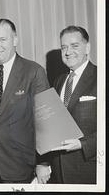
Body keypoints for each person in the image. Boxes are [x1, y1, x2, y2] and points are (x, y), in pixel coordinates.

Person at [0, 18, 50, 183]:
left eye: (2, 39)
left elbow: (45, 122)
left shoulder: (34, 72)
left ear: (15, 40)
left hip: (20, 165)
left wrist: (43, 162)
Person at [42, 26, 97, 184]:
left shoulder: (101, 77)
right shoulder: (59, 81)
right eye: (64, 47)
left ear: (87, 48)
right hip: (58, 172)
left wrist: (82, 144)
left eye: (74, 46)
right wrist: (43, 162)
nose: (68, 52)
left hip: (88, 170)